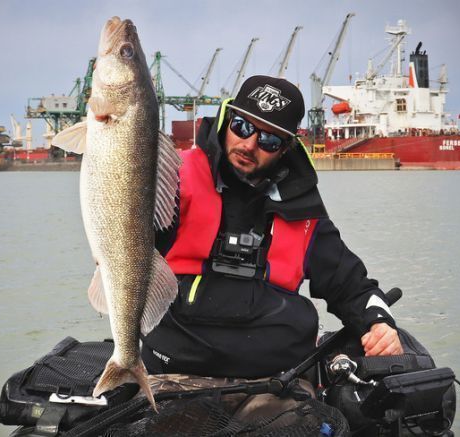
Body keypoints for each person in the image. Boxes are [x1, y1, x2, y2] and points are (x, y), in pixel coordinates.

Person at [142, 75, 403, 378]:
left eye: (269, 140)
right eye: (243, 127)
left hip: (273, 382)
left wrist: (380, 324)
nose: (250, 144)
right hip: (169, 366)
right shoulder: (170, 179)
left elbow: (352, 285)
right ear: (227, 119)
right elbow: (124, 236)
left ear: (285, 149)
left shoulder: (305, 215)